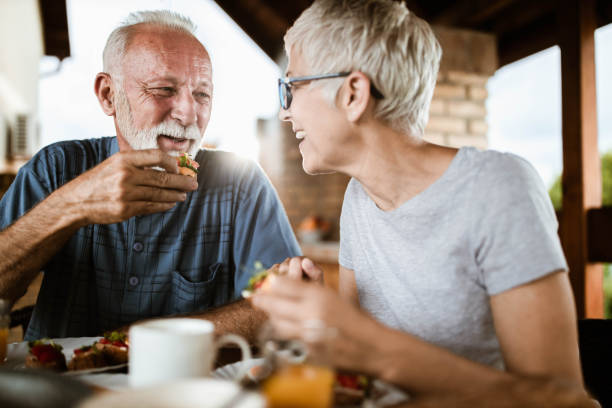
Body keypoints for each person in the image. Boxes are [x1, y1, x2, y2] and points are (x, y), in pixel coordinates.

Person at [252, 0, 586, 400]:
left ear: (353, 93)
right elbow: (357, 374)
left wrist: (372, 346)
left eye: (294, 86)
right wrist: (321, 320)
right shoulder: (358, 198)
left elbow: (565, 400)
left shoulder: (497, 187)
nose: (285, 113)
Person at [0, 10, 300, 341]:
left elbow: (291, 308)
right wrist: (71, 206)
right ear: (107, 94)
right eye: (163, 89)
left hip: (191, 390)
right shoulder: (56, 167)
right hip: (61, 390)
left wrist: (143, 338)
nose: (188, 114)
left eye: (202, 94)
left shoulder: (241, 184)